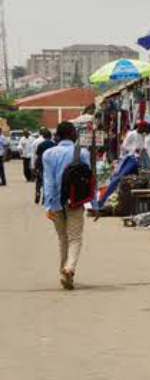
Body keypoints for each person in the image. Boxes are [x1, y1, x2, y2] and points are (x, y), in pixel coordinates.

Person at [42, 121, 92, 290]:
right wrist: (95, 204)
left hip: (55, 201)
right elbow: (89, 181)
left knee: (62, 239)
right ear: (72, 134)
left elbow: (47, 181)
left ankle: (65, 272)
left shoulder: (48, 154)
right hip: (75, 201)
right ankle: (69, 269)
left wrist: (48, 205)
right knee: (75, 237)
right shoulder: (82, 152)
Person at [33, 128, 55, 204]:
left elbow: (38, 156)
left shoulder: (41, 145)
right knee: (47, 182)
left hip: (41, 165)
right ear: (50, 136)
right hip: (50, 165)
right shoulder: (53, 144)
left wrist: (35, 167)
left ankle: (38, 192)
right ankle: (44, 198)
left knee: (38, 181)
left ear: (44, 136)